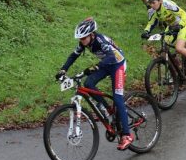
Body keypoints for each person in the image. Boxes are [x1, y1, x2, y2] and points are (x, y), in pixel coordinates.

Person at [54, 17, 134, 150]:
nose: (82, 41)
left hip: (118, 64)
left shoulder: (100, 40)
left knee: (118, 98)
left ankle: (127, 135)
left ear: (91, 35)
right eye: (80, 39)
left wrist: (95, 67)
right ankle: (108, 109)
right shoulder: (84, 42)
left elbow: (112, 56)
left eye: (84, 38)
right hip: (106, 64)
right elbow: (73, 56)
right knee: (88, 83)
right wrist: (63, 69)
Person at [141, 0, 186, 72]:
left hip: (183, 25)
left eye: (153, 2)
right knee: (164, 53)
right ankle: (176, 71)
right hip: (171, 27)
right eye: (150, 3)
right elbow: (151, 23)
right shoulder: (152, 11)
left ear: (160, 0)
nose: (151, 5)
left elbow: (184, 14)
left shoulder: (168, 5)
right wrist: (146, 31)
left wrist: (181, 25)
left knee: (179, 48)